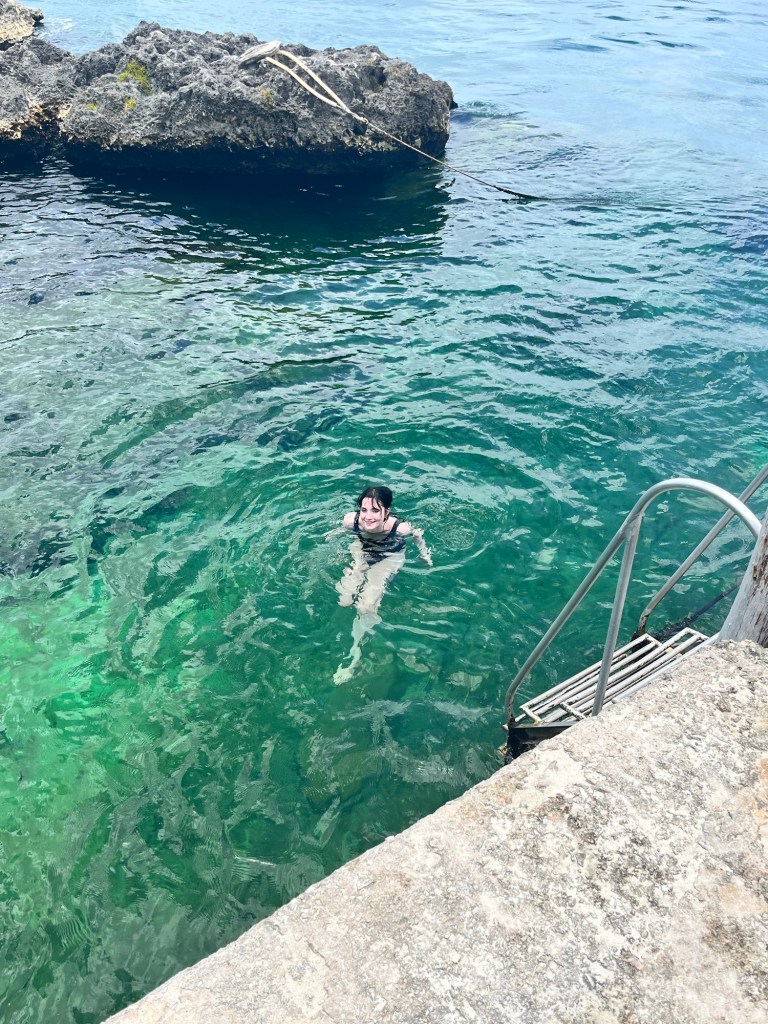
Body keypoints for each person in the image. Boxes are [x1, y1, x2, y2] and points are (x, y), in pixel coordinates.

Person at [329, 485, 432, 684]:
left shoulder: (400, 528)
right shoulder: (351, 520)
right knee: (344, 599)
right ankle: (350, 637)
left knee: (366, 606)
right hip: (362, 550)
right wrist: (333, 535)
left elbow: (417, 534)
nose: (368, 516)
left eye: (375, 510)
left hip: (389, 556)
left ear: (386, 512)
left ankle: (355, 656)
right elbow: (343, 530)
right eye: (364, 510)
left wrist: (424, 554)